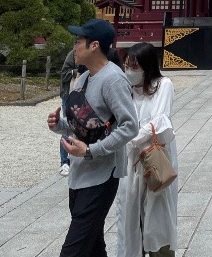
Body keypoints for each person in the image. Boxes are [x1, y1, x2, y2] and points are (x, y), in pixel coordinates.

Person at [47, 19, 138, 257]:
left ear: (94, 45)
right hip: (80, 173)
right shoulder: (85, 77)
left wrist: (90, 151)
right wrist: (60, 126)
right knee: (93, 247)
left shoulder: (113, 79)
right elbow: (81, 124)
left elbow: (130, 126)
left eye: (78, 41)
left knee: (73, 251)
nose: (74, 46)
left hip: (101, 175)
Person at [117, 43, 178, 257]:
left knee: (157, 211)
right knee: (130, 211)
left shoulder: (163, 85)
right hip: (130, 159)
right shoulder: (126, 90)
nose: (129, 71)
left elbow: (160, 120)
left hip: (153, 156)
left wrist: (128, 137)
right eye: (126, 66)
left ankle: (161, 252)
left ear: (147, 66)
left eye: (134, 66)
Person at [58, 48, 77, 177]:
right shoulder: (73, 54)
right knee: (67, 127)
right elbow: (64, 74)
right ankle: (64, 161)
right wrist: (77, 72)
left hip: (81, 97)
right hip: (68, 95)